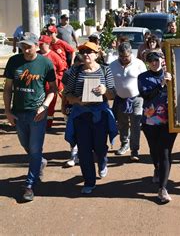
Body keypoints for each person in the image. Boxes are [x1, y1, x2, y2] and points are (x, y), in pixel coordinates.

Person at [3, 32, 57, 202]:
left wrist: (44, 107)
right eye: (23, 46)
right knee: (26, 146)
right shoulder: (14, 61)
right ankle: (39, 162)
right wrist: (7, 111)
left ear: (37, 45)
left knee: (34, 149)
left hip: (37, 114)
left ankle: (29, 185)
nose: (25, 50)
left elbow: (53, 90)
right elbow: (8, 88)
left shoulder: (46, 64)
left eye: (29, 46)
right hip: (18, 113)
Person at [63, 41, 116, 194]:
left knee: (100, 147)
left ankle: (102, 162)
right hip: (81, 115)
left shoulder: (106, 70)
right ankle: (89, 181)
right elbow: (67, 94)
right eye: (83, 51)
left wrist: (105, 90)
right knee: (84, 150)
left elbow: (112, 95)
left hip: (100, 115)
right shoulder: (76, 71)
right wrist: (78, 100)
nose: (86, 54)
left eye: (90, 51)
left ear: (97, 54)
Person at [138, 51, 176, 203]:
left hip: (169, 121)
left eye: (157, 59)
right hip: (150, 121)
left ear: (162, 60)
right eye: (151, 60)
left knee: (165, 153)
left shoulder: (171, 75)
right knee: (154, 150)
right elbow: (146, 95)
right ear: (148, 63)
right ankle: (156, 168)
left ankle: (163, 188)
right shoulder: (143, 77)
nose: (155, 62)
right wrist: (162, 84)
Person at [109, 42, 147, 161]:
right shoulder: (112, 65)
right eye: (122, 57)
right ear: (118, 55)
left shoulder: (139, 64)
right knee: (122, 123)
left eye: (127, 57)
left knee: (136, 122)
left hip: (137, 98)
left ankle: (134, 150)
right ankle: (124, 143)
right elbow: (108, 81)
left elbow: (145, 80)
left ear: (131, 53)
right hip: (120, 99)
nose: (125, 59)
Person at [38, 35, 67, 129]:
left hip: (53, 85)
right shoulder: (36, 54)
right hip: (39, 85)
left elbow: (62, 69)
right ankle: (41, 122)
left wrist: (57, 81)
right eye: (39, 44)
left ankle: (49, 124)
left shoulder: (54, 56)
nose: (40, 46)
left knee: (52, 104)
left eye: (42, 44)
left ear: (48, 44)